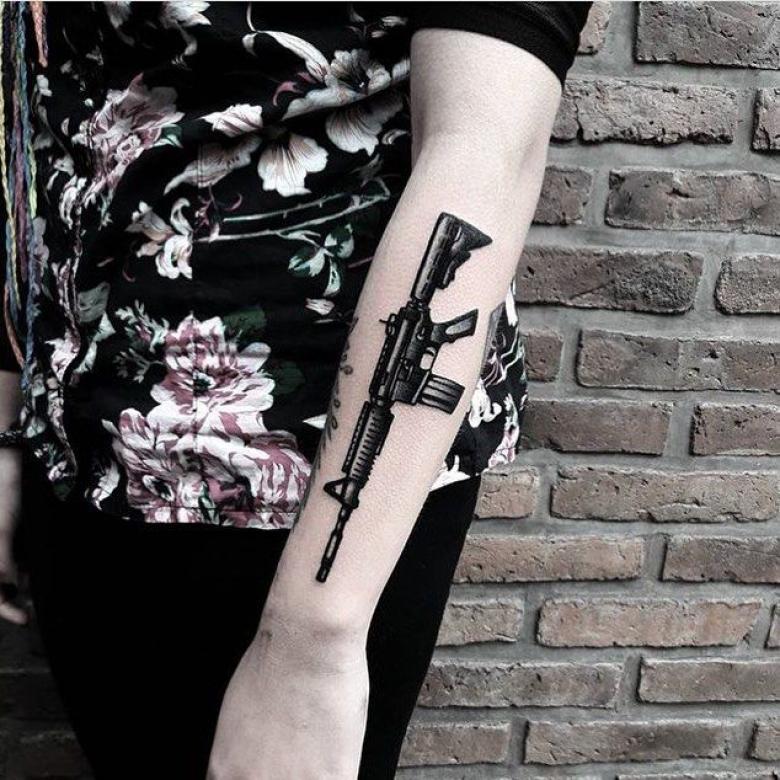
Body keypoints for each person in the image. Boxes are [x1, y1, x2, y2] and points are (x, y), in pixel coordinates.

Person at [0, 2, 591, 778]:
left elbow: (485, 154)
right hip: (76, 435)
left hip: (295, 487)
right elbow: (30, 108)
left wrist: (313, 639)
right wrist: (9, 417)